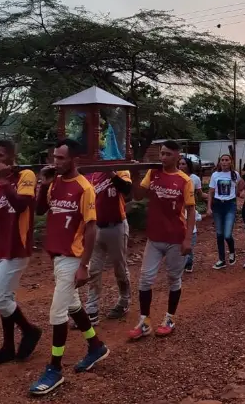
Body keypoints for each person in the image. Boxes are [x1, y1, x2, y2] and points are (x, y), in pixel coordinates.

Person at [30, 139, 110, 395]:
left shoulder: (84, 188)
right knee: (74, 305)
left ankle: (54, 368)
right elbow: (40, 210)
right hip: (57, 256)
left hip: (72, 257)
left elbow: (91, 227)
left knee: (57, 313)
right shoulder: (54, 183)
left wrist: (84, 265)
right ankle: (96, 346)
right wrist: (43, 185)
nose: (56, 162)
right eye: (55, 157)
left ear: (75, 160)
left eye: (61, 158)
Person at [0, 140, 42, 369]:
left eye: (0, 155)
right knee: (6, 298)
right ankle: (7, 347)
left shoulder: (26, 176)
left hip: (18, 247)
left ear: (12, 156)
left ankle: (30, 331)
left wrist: (5, 182)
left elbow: (22, 205)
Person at [129, 140, 196, 339]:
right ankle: (144, 321)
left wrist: (187, 240)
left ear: (177, 156)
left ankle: (169, 318)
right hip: (155, 237)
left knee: (173, 278)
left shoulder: (185, 180)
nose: (163, 157)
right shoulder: (153, 173)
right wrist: (134, 175)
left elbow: (191, 211)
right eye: (162, 153)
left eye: (167, 154)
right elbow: (139, 196)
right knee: (145, 279)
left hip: (176, 237)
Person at [83, 167, 132, 326]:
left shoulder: (120, 170)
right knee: (93, 269)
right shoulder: (91, 173)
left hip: (116, 226)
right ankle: (91, 309)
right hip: (96, 227)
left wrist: (111, 172)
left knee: (120, 267)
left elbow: (127, 189)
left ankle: (124, 301)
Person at [207, 154, 240, 270]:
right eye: (222, 160)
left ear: (231, 162)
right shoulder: (215, 175)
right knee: (219, 234)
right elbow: (211, 192)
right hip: (217, 205)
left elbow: (239, 188)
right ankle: (221, 259)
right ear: (219, 162)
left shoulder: (235, 174)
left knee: (227, 234)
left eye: (227, 160)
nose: (224, 162)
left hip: (230, 205)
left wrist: (237, 197)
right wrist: (209, 207)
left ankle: (232, 251)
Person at [178, 157, 203, 273]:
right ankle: (181, 260)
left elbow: (200, 195)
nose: (181, 166)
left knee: (190, 233)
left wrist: (213, 199)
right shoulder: (175, 177)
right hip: (178, 209)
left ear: (188, 165)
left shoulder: (195, 179)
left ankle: (188, 262)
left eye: (183, 164)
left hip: (190, 208)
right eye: (180, 164)